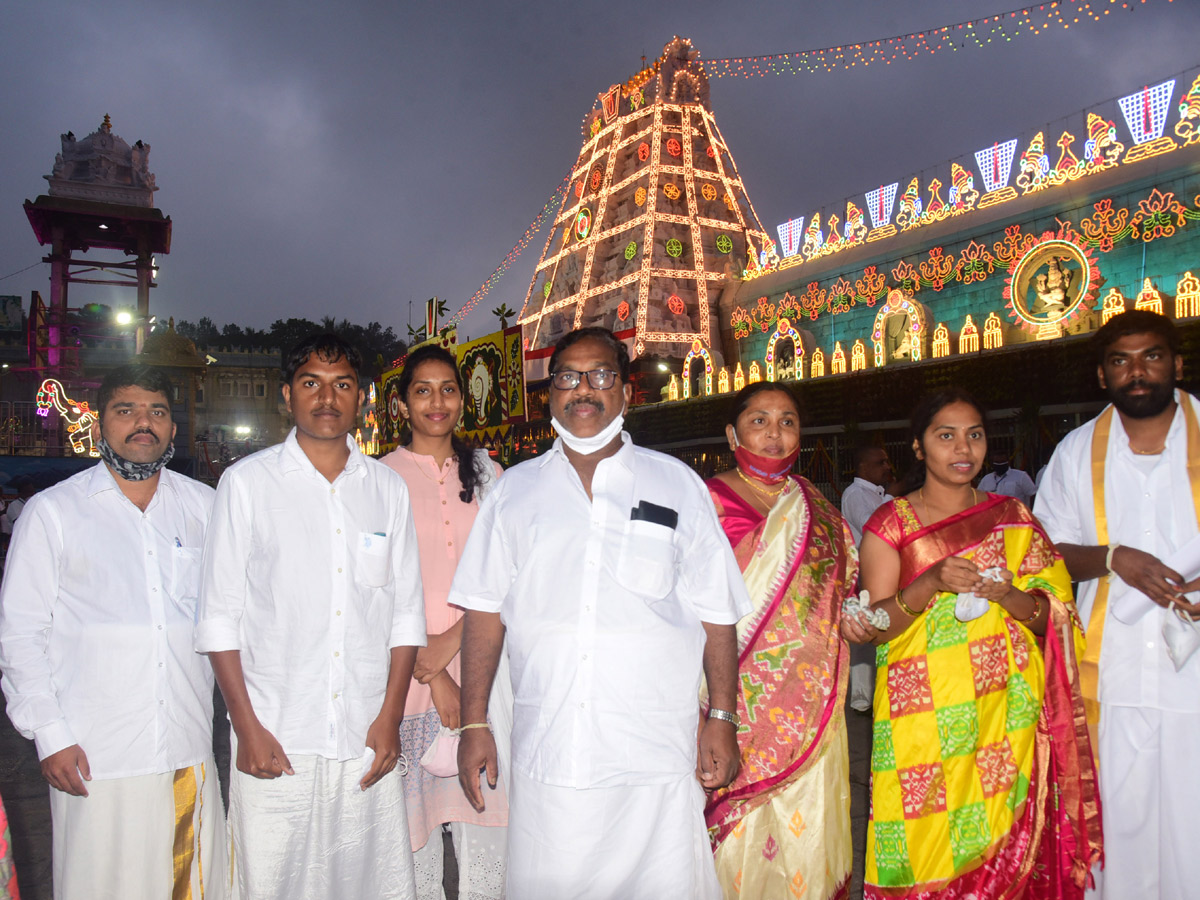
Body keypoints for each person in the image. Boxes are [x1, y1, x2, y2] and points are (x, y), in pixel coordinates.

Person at [450, 326, 751, 900]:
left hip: (654, 754)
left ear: (627, 392)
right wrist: (474, 723)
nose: (583, 390)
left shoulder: (677, 485)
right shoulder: (514, 493)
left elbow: (717, 614)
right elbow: (484, 618)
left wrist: (723, 717)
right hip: (552, 751)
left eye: (601, 376)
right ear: (550, 394)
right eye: (567, 377)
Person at [843, 388, 1101, 900]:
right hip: (922, 726)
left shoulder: (1014, 517)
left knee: (1010, 848)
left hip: (1007, 718)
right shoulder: (891, 525)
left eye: (974, 435)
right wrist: (929, 582)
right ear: (919, 448)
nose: (963, 449)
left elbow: (1055, 615)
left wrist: (1009, 595)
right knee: (926, 854)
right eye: (946, 436)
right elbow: (877, 625)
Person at [196, 333, 426, 900]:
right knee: (272, 880)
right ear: (286, 395)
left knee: (367, 881)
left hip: (365, 731)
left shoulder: (387, 489)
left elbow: (404, 613)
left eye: (342, 384)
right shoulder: (247, 485)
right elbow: (219, 617)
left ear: (362, 397)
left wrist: (390, 717)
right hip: (277, 733)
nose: (327, 397)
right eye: (311, 383)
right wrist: (245, 729)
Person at [0, 365, 225, 900]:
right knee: (100, 884)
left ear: (175, 428)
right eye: (126, 411)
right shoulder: (54, 512)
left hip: (184, 744)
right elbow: (20, 635)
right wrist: (49, 733)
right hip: (92, 753)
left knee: (188, 884)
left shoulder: (206, 508)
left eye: (157, 412)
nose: (142, 423)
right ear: (101, 424)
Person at [1033, 310, 1199, 898]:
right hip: (1116, 673)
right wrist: (1112, 558)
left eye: (1151, 356)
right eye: (1119, 361)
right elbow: (1045, 551)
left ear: (1177, 364)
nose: (1137, 372)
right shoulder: (1077, 452)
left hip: (1196, 680)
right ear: (1102, 376)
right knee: (1119, 828)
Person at [705, 382, 857, 899]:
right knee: (737, 832)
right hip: (729, 697)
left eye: (787, 421)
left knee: (805, 828)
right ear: (732, 433)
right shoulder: (708, 500)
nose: (774, 434)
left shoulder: (816, 508)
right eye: (759, 421)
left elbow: (841, 595)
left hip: (809, 704)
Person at [380, 345, 507, 900]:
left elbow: (509, 575)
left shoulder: (492, 475)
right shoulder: (377, 480)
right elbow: (373, 586)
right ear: (402, 404)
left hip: (486, 668)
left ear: (464, 398)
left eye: (448, 389)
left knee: (488, 827)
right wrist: (434, 675)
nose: (437, 401)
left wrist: (453, 647)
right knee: (414, 841)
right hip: (405, 672)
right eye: (422, 390)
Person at [842, 446, 895, 712]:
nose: (887, 466)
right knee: (864, 627)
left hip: (886, 570)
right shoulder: (855, 494)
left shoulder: (882, 495)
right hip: (865, 570)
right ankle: (861, 698)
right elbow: (870, 525)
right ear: (863, 467)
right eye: (880, 462)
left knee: (884, 624)